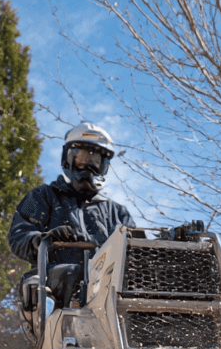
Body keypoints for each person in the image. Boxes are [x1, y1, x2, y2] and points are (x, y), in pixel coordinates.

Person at [9, 121, 132, 311]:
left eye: (94, 163)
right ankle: (62, 330)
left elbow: (135, 250)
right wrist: (43, 239)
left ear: (103, 167)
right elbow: (19, 235)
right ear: (67, 159)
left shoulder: (117, 213)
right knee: (72, 274)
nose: (87, 169)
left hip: (107, 285)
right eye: (81, 161)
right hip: (57, 281)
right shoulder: (44, 196)